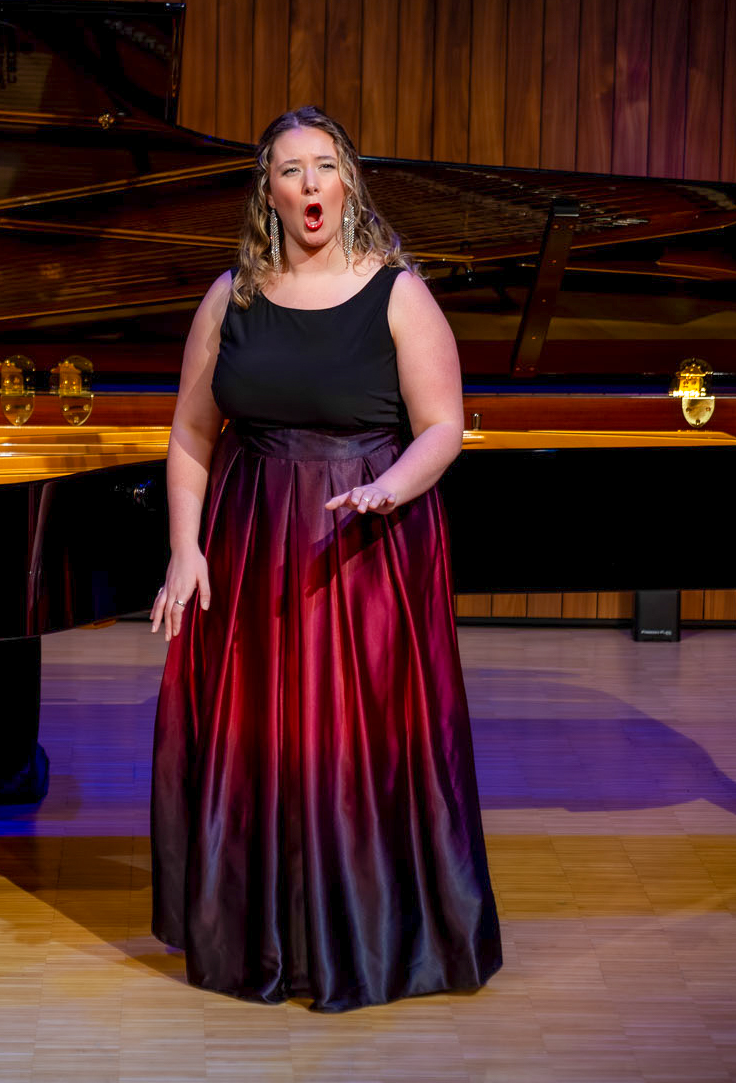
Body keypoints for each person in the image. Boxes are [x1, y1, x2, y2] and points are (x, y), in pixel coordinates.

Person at [148, 106, 501, 1012]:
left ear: (348, 183)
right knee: (261, 742)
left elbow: (443, 427)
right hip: (251, 542)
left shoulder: (398, 294)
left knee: (353, 747)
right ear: (267, 192)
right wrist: (185, 548)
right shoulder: (231, 297)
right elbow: (191, 434)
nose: (310, 183)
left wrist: (390, 489)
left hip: (363, 547)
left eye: (325, 165)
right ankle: (264, 936)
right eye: (290, 169)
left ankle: (370, 938)